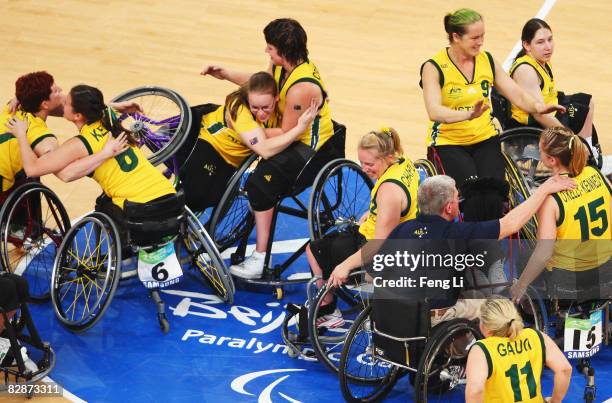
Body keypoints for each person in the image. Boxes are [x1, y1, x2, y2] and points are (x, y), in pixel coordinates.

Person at [202, 18, 335, 279]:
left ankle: (260, 258)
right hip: (291, 134)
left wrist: (247, 134)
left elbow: (287, 133)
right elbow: (262, 85)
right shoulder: (281, 66)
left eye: (270, 47)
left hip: (310, 150)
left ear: (282, 52)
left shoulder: (301, 87)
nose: (267, 51)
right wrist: (227, 74)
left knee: (260, 185)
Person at [381, 173, 575, 326]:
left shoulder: (401, 229)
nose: (461, 201)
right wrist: (544, 189)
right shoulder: (456, 233)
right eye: (458, 197)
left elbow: (375, 274)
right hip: (433, 315)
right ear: (449, 208)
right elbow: (511, 223)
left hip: (397, 313)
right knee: (503, 309)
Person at [5, 84, 176, 247]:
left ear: (78, 115)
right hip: (169, 194)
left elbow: (40, 170)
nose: (62, 103)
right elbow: (95, 104)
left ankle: (122, 250)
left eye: (66, 103)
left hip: (138, 208)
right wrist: (22, 97)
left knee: (102, 206)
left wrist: (21, 134)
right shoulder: (109, 116)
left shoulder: (81, 144)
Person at [420, 8, 565, 188]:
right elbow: (434, 111)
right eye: (474, 38)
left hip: (484, 138)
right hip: (448, 142)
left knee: (496, 193)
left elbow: (517, 94)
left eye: (482, 36)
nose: (480, 42)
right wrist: (468, 115)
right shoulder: (433, 67)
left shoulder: (486, 60)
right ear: (456, 37)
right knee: (472, 193)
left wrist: (537, 107)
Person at [306, 127, 419, 326]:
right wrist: (376, 212)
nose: (364, 169)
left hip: (383, 250)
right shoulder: (404, 162)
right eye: (361, 162)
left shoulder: (389, 191)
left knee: (314, 249)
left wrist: (345, 266)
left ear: (387, 157)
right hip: (408, 235)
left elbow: (378, 247)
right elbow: (401, 205)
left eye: (369, 164)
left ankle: (328, 308)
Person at [180, 71, 317, 211]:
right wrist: (299, 128)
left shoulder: (274, 105)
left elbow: (281, 132)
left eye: (265, 107)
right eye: (255, 107)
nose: (261, 113)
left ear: (276, 98)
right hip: (212, 144)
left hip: (231, 159)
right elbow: (265, 150)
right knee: (194, 197)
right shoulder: (240, 110)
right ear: (248, 99)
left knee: (215, 199)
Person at [0, 71, 141, 198]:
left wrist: (111, 106)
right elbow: (64, 173)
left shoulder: (13, 106)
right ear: (44, 104)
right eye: (55, 91)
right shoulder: (44, 140)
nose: (61, 90)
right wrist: (104, 154)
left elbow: (70, 108)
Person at [511, 127, 611, 302]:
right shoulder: (597, 174)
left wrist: (521, 285)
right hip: (606, 274)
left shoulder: (551, 200)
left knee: (524, 256)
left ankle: (528, 311)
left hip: (568, 285)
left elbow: (544, 254)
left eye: (540, 150)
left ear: (550, 160)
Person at [508, 19, 601, 163]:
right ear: (527, 45)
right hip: (532, 123)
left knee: (586, 102)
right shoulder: (526, 70)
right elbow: (539, 115)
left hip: (550, 106)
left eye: (550, 40)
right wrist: (570, 136)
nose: (548, 47)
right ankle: (583, 154)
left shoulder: (541, 60)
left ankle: (587, 151)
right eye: (540, 42)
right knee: (580, 113)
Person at [465, 297, 572, 402]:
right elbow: (564, 369)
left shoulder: (482, 350)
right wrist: (555, 401)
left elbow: (475, 391)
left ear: (485, 326)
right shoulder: (536, 336)